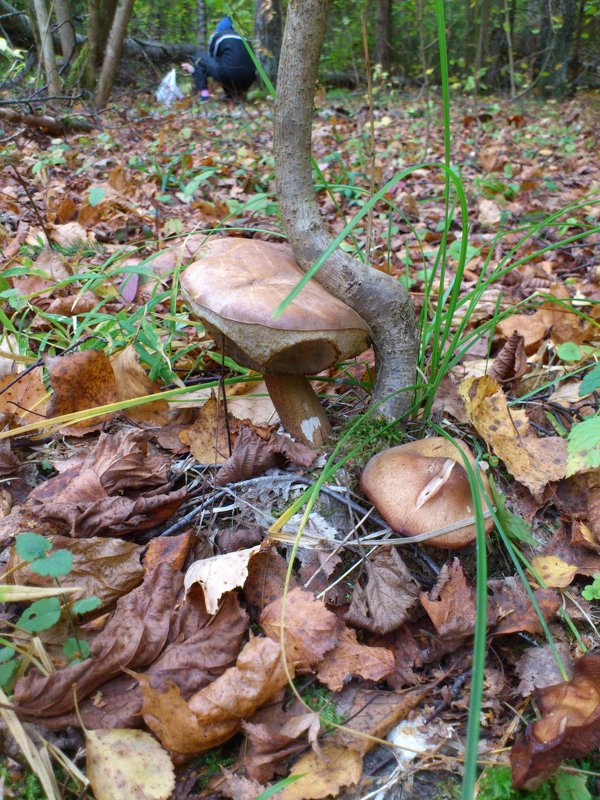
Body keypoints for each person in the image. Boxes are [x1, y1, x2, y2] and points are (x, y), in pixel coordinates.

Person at [181, 17, 256, 101]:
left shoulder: (218, 36)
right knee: (229, 65)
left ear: (219, 28)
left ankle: (204, 96)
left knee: (198, 56)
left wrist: (194, 71)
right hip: (249, 77)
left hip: (229, 74)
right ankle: (236, 97)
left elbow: (212, 62)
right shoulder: (244, 38)